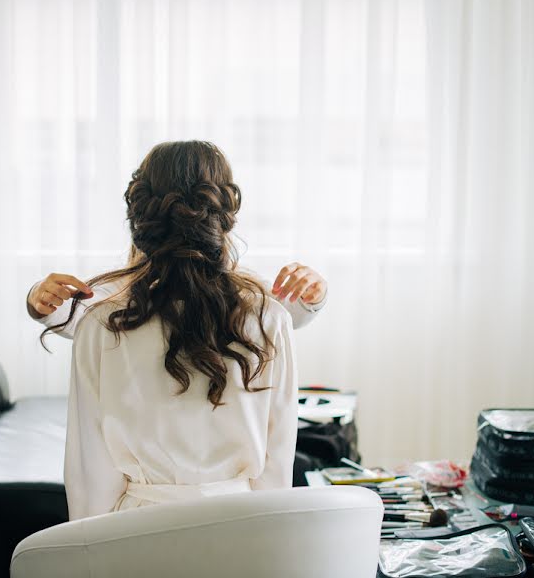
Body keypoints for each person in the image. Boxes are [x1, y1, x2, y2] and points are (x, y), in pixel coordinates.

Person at [26, 141, 328, 520]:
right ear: (223, 213)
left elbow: (92, 470)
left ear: (140, 215)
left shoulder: (102, 323)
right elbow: (277, 458)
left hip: (135, 530)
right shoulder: (267, 316)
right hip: (245, 526)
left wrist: (90, 550)